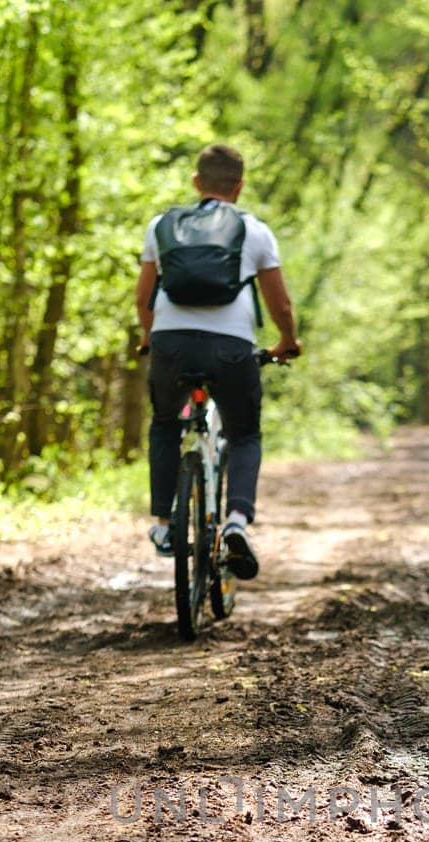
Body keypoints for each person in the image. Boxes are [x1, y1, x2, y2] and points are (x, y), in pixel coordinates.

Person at [135, 143, 300, 580]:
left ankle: (166, 526)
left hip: (170, 344)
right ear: (239, 186)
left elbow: (143, 295)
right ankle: (236, 522)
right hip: (231, 348)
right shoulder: (256, 231)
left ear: (196, 183)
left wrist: (149, 337)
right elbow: (279, 302)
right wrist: (287, 339)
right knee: (245, 433)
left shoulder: (162, 225)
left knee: (166, 425)